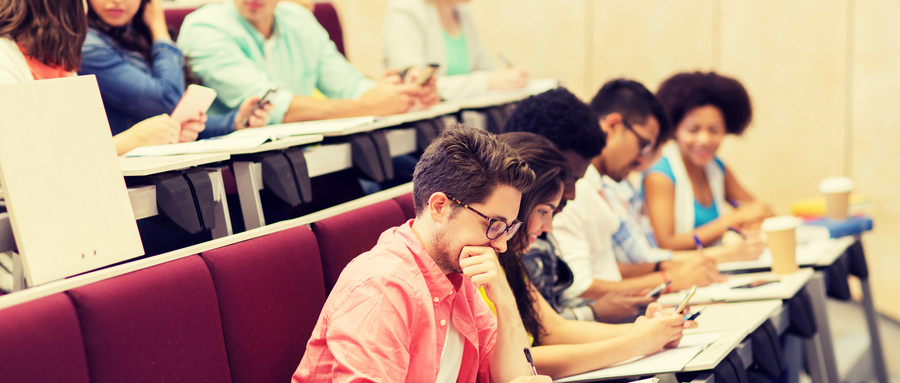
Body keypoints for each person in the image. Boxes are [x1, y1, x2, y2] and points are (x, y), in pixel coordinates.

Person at [294, 125, 549, 383]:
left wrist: (503, 300)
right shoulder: (381, 288)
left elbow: (513, 377)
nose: (502, 245)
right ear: (440, 207)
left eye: (508, 228)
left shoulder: (459, 275)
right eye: (493, 224)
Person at [496, 132, 694, 379]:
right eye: (544, 212)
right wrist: (636, 342)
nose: (548, 227)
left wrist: (648, 330)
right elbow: (522, 359)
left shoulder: (508, 258)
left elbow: (555, 329)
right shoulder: (483, 263)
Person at [552, 79, 726, 322]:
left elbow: (610, 268)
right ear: (613, 126)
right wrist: (668, 279)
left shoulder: (600, 184)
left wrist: (665, 274)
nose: (641, 162)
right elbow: (578, 286)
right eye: (643, 145)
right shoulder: (574, 190)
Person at [177, 0, 440, 125]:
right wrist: (370, 104)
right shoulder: (203, 27)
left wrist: (401, 96)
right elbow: (272, 108)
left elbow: (347, 83)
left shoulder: (297, 19)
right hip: (239, 170)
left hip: (314, 154)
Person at [0, 0, 182, 156]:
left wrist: (164, 132)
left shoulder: (60, 61)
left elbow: (79, 146)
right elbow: (25, 160)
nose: (85, 9)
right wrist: (136, 139)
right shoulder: (6, 59)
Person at [81, 0, 271, 139]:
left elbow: (173, 120)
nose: (117, 1)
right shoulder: (88, 46)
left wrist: (235, 121)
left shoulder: (135, 34)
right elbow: (167, 101)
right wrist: (159, 30)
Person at [644, 71, 774, 250]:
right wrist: (733, 220)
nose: (704, 139)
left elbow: (758, 210)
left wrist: (751, 220)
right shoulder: (660, 175)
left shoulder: (717, 167)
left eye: (714, 130)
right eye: (693, 129)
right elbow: (666, 243)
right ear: (675, 129)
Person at [383, 0, 529, 100]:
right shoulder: (405, 9)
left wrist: (510, 78)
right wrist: (488, 82)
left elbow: (488, 70)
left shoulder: (462, 11)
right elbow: (416, 87)